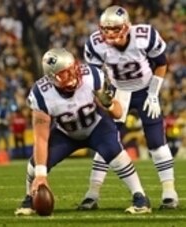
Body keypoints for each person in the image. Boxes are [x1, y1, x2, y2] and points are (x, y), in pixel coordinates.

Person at [14, 47, 151, 216]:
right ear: (52, 78)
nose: (73, 73)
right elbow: (41, 138)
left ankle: (140, 196)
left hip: (97, 127)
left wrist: (108, 104)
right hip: (66, 133)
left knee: (114, 152)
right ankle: (30, 198)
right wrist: (41, 176)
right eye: (65, 72)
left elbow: (118, 113)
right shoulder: (40, 95)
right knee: (35, 165)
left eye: (73, 67)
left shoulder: (92, 76)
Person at [80, 5, 178, 210]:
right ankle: (92, 193)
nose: (109, 33)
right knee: (107, 142)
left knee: (156, 142)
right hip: (119, 93)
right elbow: (95, 75)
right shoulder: (95, 44)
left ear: (126, 27)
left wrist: (153, 93)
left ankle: (169, 193)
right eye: (105, 29)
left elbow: (161, 64)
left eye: (115, 29)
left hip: (145, 90)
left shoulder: (145, 35)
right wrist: (101, 97)